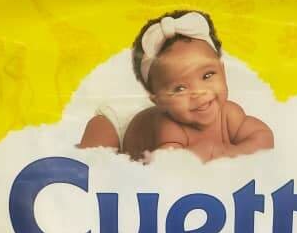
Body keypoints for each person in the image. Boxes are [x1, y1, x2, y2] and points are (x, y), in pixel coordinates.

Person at [78, 10, 274, 163]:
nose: (199, 93)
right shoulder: (170, 129)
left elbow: (263, 137)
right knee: (95, 157)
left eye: (207, 75)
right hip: (121, 128)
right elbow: (169, 170)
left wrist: (229, 153)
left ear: (223, 71)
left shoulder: (230, 114)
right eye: (180, 88)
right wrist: (201, 157)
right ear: (158, 101)